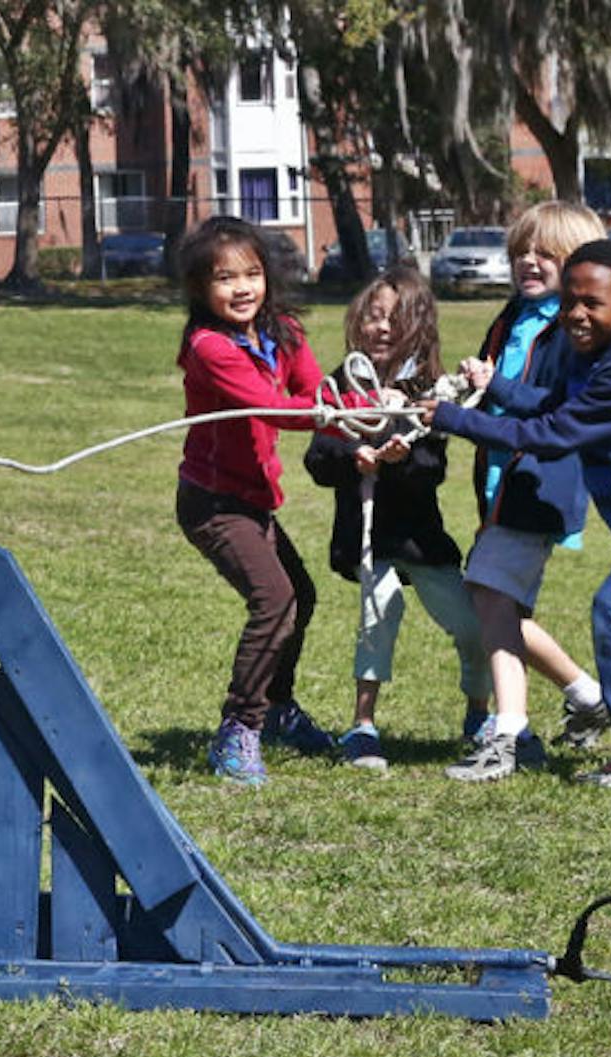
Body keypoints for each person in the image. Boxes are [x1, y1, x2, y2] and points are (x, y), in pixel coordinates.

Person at [421, 237, 611, 790]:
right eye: (570, 303)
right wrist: (498, 388)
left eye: (593, 304)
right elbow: (553, 407)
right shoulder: (597, 356)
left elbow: (551, 435)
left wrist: (453, 419)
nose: (577, 315)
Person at [174, 216, 360, 785]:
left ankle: (277, 709)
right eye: (225, 278)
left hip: (255, 501)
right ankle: (239, 727)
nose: (242, 288)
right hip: (212, 503)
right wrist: (329, 413)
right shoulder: (208, 348)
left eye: (252, 273)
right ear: (201, 289)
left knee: (297, 595)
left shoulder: (284, 331)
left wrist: (363, 403)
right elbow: (274, 407)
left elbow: (310, 392)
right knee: (274, 599)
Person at [444, 200, 611, 784]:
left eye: (546, 254)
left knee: (489, 596)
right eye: (521, 252)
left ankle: (507, 734)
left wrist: (497, 388)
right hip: (499, 481)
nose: (529, 262)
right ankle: (588, 694)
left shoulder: (574, 329)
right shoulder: (513, 315)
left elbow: (553, 412)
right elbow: (501, 390)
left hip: (538, 485)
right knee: (497, 604)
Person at [304, 268, 491, 770]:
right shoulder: (343, 385)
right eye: (373, 315)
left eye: (396, 318)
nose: (382, 327)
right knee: (378, 614)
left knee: (472, 625)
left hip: (419, 536)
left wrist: (397, 458)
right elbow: (318, 459)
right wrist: (354, 459)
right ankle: (362, 727)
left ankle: (479, 713)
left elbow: (431, 469)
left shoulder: (431, 390)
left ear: (419, 328)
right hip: (368, 536)